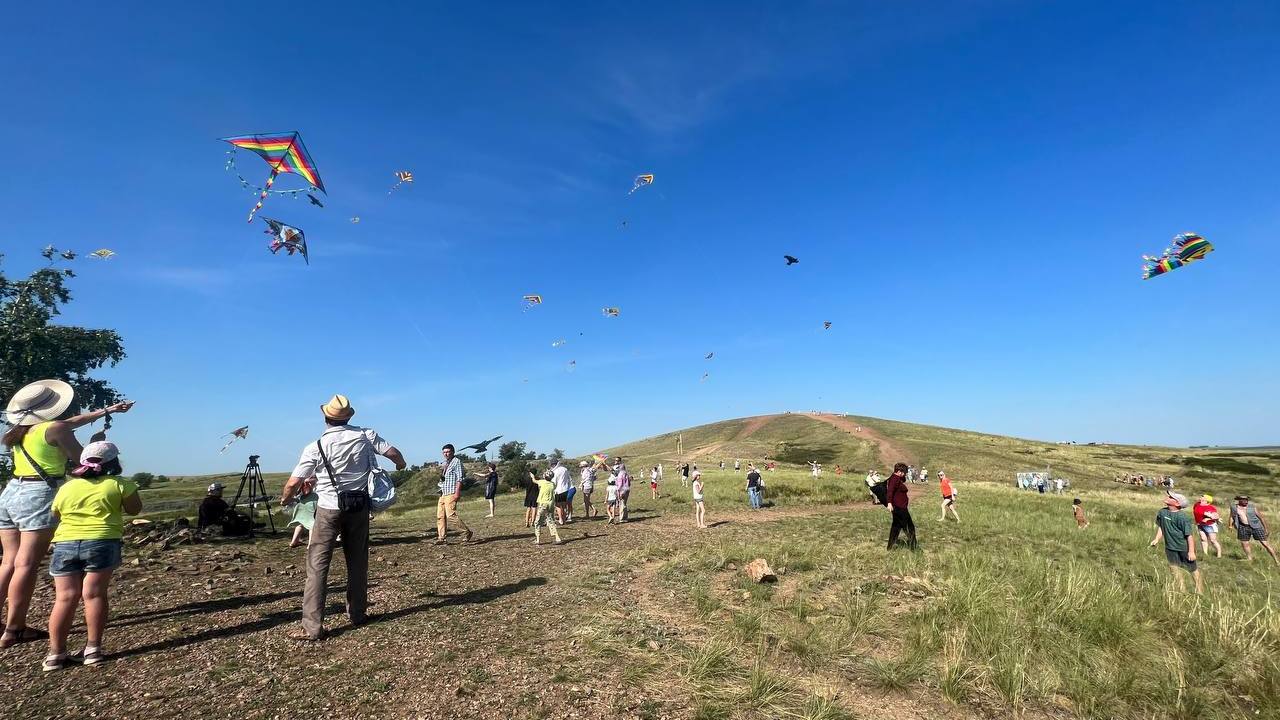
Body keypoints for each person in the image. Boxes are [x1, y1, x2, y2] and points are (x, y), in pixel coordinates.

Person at [2, 380, 133, 649]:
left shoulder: (19, 431)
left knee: (8, 562)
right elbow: (80, 460)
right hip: (39, 493)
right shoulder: (56, 428)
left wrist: (107, 410)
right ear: (50, 408)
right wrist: (97, 446)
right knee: (26, 564)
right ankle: (14, 628)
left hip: (11, 492)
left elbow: (74, 420)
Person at [279, 394, 407, 641]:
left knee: (317, 566)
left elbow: (293, 483)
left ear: (326, 417)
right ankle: (358, 614)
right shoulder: (366, 435)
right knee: (358, 562)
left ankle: (312, 627)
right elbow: (393, 452)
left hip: (327, 509)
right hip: (358, 506)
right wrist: (400, 465)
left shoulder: (314, 447)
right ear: (349, 416)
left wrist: (286, 499)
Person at [41, 441, 141, 670]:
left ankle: (55, 654)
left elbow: (56, 513)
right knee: (94, 595)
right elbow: (134, 509)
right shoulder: (120, 484)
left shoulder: (67, 487)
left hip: (65, 542)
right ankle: (93, 649)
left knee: (64, 598)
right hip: (102, 541)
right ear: (114, 462)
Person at [1149, 493, 1203, 594]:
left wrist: (1191, 552)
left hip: (1184, 548)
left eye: (1171, 497)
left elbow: (1189, 536)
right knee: (1173, 567)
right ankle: (1182, 590)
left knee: (1193, 569)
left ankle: (1199, 592)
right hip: (1170, 547)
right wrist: (1156, 539)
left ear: (1177, 503)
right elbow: (1161, 526)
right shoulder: (1162, 512)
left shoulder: (1182, 517)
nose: (1167, 497)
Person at [436, 443, 473, 543]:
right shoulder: (446, 463)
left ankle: (466, 532)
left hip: (451, 492)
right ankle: (441, 538)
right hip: (443, 492)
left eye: (448, 452)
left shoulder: (456, 462)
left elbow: (460, 478)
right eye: (444, 452)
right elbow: (444, 479)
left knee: (450, 515)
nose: (446, 454)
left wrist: (457, 492)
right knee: (440, 516)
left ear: (453, 452)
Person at [1229, 495, 1279, 564]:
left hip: (1256, 526)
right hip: (1243, 527)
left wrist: (1266, 529)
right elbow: (1232, 516)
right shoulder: (1234, 507)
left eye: (1246, 500)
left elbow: (1261, 518)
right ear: (1239, 500)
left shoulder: (1252, 507)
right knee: (1244, 543)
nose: (1245, 501)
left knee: (1265, 544)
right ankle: (1249, 558)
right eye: (1243, 500)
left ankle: (1276, 560)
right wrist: (1230, 525)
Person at [885, 463, 917, 550]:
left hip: (898, 507)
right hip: (900, 508)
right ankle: (914, 548)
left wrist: (902, 475)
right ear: (899, 472)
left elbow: (903, 479)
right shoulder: (894, 479)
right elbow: (890, 491)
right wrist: (889, 503)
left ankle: (890, 547)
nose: (905, 474)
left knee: (896, 527)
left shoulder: (897, 478)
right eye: (904, 472)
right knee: (909, 527)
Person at [531, 471, 562, 545]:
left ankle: (538, 540)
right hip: (551, 504)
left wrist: (532, 476)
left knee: (537, 522)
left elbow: (534, 481)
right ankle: (557, 538)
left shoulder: (542, 482)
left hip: (543, 504)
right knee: (551, 520)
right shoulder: (553, 484)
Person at [285, 478, 318, 548]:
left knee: (300, 523)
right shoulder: (312, 478)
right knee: (312, 524)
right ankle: (310, 545)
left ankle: (294, 541)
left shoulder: (301, 478)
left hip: (301, 504)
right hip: (311, 502)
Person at [1191, 494, 1222, 559]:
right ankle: (1205, 554)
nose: (1201, 499)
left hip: (1209, 525)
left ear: (1207, 501)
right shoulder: (1197, 504)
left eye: (1203, 499)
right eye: (1201, 498)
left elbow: (1216, 517)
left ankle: (1219, 553)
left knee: (1213, 540)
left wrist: (1208, 519)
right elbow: (1195, 512)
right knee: (1203, 539)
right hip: (1200, 524)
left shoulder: (1211, 508)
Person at [551, 459, 572, 525]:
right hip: (565, 489)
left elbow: (554, 482)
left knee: (558, 505)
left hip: (558, 490)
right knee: (563, 505)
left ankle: (561, 519)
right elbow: (569, 479)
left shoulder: (555, 471)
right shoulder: (565, 469)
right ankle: (564, 519)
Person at [614, 458, 632, 522]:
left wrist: (618, 491)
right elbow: (629, 482)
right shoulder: (626, 474)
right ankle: (625, 517)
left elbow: (620, 484)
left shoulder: (620, 474)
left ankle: (622, 518)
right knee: (624, 503)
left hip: (622, 490)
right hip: (627, 489)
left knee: (622, 504)